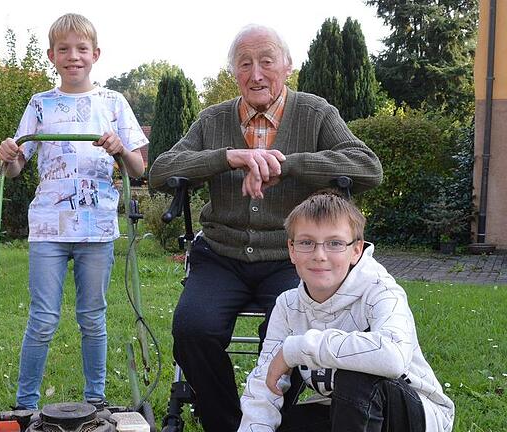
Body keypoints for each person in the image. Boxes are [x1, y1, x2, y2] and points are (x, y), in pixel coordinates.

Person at [148, 23, 383, 431]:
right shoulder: (213, 119)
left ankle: (273, 419)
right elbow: (161, 170)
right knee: (193, 329)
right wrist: (229, 157)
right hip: (221, 255)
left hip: (291, 259)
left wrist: (288, 163)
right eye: (245, 64)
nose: (256, 74)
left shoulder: (316, 113)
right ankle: (228, 423)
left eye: (266, 62)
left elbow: (367, 167)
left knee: (288, 334)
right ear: (234, 73)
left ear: (287, 66)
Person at [0, 12, 147, 410]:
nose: (73, 56)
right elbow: (15, 168)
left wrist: (121, 149)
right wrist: (8, 155)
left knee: (93, 317)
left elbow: (139, 168)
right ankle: (25, 404)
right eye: (64, 49)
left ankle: (94, 400)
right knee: (43, 319)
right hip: (48, 227)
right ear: (51, 55)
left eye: (81, 49)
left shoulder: (113, 103)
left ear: (95, 54)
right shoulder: (40, 104)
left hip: (96, 227)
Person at [238, 191, 455, 431]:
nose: (319, 256)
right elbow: (264, 384)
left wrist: (297, 349)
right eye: (306, 243)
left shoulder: (382, 292)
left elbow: (393, 358)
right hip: (341, 411)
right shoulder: (288, 305)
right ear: (291, 250)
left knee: (356, 375)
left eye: (335, 243)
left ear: (356, 250)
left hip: (414, 415)